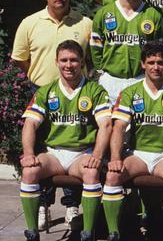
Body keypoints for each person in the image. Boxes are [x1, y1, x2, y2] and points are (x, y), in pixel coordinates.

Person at [12, 0, 92, 230]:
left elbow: (91, 59)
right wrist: (40, 81)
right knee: (42, 153)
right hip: (42, 92)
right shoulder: (30, 22)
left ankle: (71, 207)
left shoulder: (84, 23)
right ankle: (43, 206)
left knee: (75, 148)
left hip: (76, 94)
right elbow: (20, 59)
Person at [20, 40, 113, 241]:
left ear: (82, 62)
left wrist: (97, 155)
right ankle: (32, 233)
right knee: (29, 171)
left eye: (73, 60)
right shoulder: (46, 91)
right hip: (53, 153)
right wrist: (28, 154)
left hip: (82, 153)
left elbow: (106, 125)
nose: (68, 65)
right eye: (64, 60)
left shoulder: (95, 91)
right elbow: (29, 124)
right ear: (56, 62)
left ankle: (88, 232)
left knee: (91, 172)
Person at [102, 41, 163, 241]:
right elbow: (118, 128)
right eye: (151, 62)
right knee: (113, 175)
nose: (156, 67)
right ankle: (113, 232)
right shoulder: (130, 92)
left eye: (161, 62)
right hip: (139, 154)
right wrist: (116, 158)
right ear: (143, 64)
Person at [90, 0, 163, 104]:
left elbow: (159, 50)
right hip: (111, 80)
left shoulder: (153, 15)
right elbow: (95, 47)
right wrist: (101, 73)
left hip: (141, 79)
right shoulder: (104, 13)